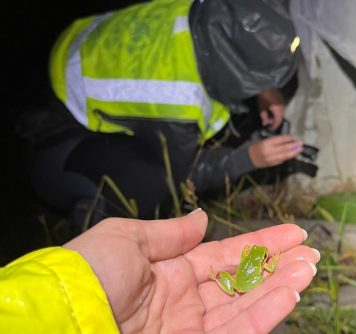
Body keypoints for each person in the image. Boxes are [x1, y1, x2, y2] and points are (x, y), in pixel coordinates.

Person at [17, 0, 304, 232]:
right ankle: (91, 255)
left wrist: (266, 90)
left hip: (66, 63)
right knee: (149, 186)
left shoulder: (202, 14)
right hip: (54, 142)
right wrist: (247, 158)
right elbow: (181, 177)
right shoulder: (177, 97)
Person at [0, 209, 320, 333]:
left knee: (238, 279)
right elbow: (256, 259)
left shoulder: (249, 261)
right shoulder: (260, 262)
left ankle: (220, 280)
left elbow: (249, 257)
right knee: (254, 280)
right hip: (248, 279)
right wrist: (269, 264)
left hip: (238, 280)